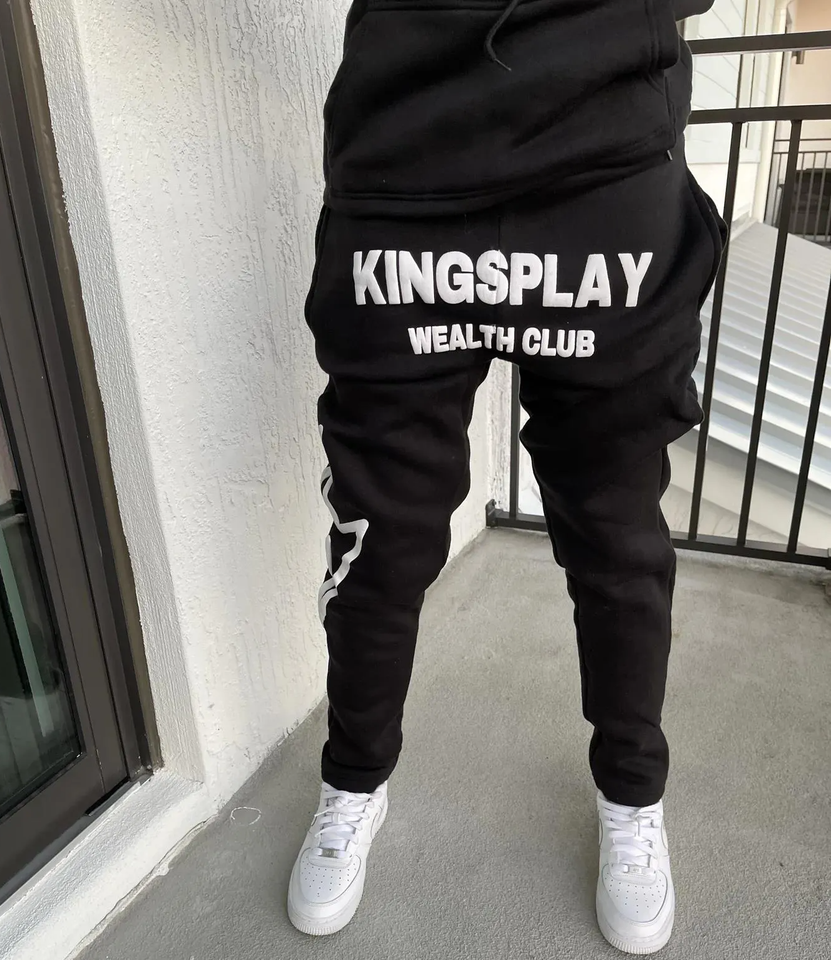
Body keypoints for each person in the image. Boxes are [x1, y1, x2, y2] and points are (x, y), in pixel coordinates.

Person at [287, 0, 724, 953]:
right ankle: (353, 780)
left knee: (616, 532)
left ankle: (631, 795)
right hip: (402, 167)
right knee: (378, 535)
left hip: (602, 166)